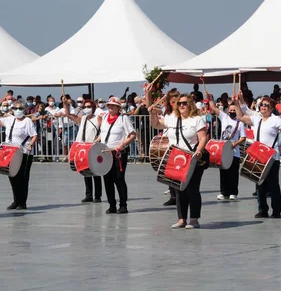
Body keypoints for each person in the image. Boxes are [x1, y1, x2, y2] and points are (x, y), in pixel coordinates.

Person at [235, 94, 281, 218]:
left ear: (272, 108)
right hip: (258, 155)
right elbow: (241, 116)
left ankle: (276, 211)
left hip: (272, 157)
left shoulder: (276, 119)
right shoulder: (257, 118)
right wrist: (237, 103)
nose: (263, 107)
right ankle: (262, 209)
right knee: (259, 184)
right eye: (261, 104)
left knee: (273, 185)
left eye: (266, 105)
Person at [149, 94, 207, 228]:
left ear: (190, 104)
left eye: (184, 103)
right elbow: (156, 124)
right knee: (178, 189)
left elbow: (203, 137)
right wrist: (152, 113)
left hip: (192, 157)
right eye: (179, 103)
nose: (181, 105)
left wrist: (199, 150)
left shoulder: (197, 120)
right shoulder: (172, 118)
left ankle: (194, 219)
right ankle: (181, 219)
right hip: (176, 158)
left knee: (192, 189)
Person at [0, 99, 38, 210]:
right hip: (11, 152)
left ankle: (22, 202)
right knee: (12, 176)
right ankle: (16, 200)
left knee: (23, 178)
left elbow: (34, 135)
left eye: (20, 108)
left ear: (24, 109)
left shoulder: (27, 121)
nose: (18, 110)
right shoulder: (9, 119)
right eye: (15, 108)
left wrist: (31, 145)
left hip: (24, 152)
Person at [97, 97, 136, 214]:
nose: (110, 107)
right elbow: (103, 133)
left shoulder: (123, 118)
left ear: (118, 107)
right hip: (105, 152)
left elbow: (133, 134)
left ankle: (123, 205)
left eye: (113, 105)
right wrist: (95, 142)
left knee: (119, 179)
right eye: (109, 105)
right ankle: (112, 205)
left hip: (119, 153)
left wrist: (122, 144)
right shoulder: (104, 117)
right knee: (107, 179)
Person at [64, 99, 103, 203]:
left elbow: (104, 130)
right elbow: (68, 115)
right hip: (83, 147)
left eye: (89, 106)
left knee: (96, 172)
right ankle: (88, 195)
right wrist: (65, 104)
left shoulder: (97, 118)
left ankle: (98, 196)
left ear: (94, 108)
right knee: (85, 170)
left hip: (93, 146)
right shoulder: (83, 118)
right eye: (85, 106)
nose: (87, 108)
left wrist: (97, 140)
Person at [208, 99, 246, 201]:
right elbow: (214, 108)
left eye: (234, 110)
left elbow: (243, 137)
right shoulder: (224, 117)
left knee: (233, 173)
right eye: (231, 110)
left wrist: (235, 144)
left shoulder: (240, 123)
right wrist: (210, 98)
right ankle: (223, 192)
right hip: (223, 150)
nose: (232, 112)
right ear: (228, 110)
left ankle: (233, 192)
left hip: (234, 152)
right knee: (223, 172)